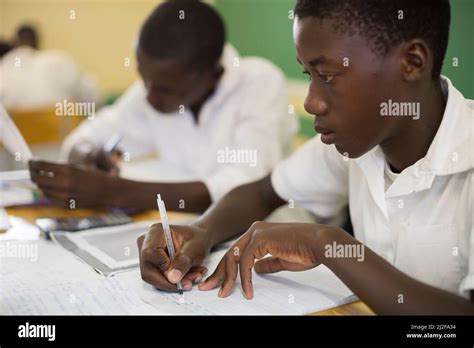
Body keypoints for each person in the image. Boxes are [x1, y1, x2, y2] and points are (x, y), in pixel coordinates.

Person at [137, 0, 474, 314]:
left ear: (412, 63)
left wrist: (328, 244)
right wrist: (201, 230)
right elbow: (264, 192)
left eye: (326, 76)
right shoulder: (356, 145)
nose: (311, 102)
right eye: (307, 75)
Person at [29, 0, 297, 213]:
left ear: (213, 75)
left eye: (165, 89)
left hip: (270, 227)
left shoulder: (258, 82)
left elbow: (248, 185)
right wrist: (86, 155)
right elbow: (91, 133)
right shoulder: (157, 87)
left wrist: (112, 191)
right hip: (183, 222)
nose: (149, 97)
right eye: (143, 79)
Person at [0, 25, 99, 109]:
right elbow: (94, 98)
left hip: (17, 130)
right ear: (37, 41)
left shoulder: (3, 68)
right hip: (62, 130)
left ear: (14, 42)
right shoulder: (58, 60)